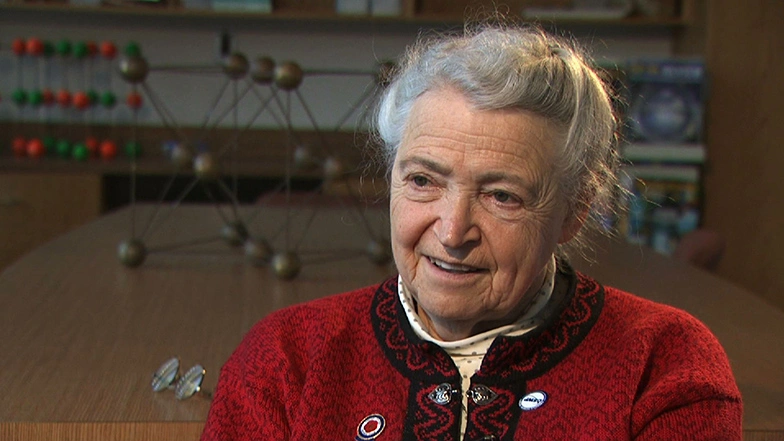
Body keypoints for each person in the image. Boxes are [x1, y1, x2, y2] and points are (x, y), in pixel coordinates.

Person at [201, 22, 742, 441]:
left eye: (501, 196)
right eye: (422, 180)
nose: (453, 230)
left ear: (574, 211)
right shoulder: (286, 359)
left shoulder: (664, 364)